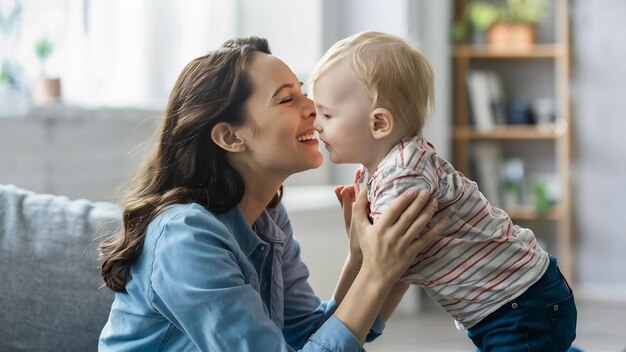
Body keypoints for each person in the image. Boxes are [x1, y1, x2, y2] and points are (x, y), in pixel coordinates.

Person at [97, 36, 447, 351]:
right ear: (231, 137)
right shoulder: (184, 237)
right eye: (286, 99)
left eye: (302, 90)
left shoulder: (266, 216)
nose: (312, 106)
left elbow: (311, 333)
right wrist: (375, 273)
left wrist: (364, 260)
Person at [311, 31, 577, 351]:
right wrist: (364, 320)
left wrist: (361, 309)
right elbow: (393, 268)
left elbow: (386, 263)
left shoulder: (401, 176)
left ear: (379, 124)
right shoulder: (388, 170)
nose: (317, 124)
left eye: (327, 115)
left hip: (518, 305)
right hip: (516, 302)